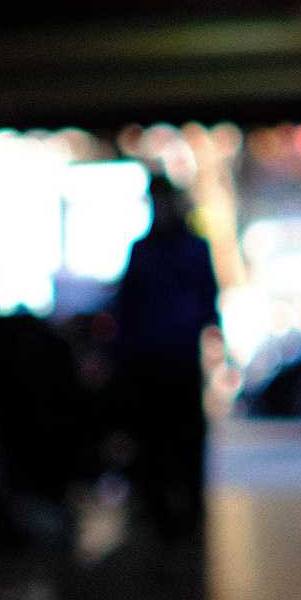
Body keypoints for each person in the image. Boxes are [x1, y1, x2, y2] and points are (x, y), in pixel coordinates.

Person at [107, 175, 220, 543]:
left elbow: (207, 300)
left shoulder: (187, 250)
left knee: (184, 439)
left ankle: (188, 514)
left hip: (177, 360)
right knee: (158, 442)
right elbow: (128, 308)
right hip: (151, 363)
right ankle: (165, 517)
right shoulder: (146, 251)